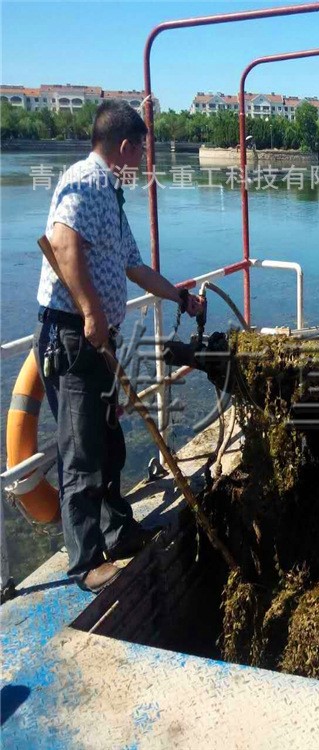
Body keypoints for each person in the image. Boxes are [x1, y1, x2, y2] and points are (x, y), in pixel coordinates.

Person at [34, 101, 204, 592]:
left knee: (108, 441)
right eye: (141, 153)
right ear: (125, 147)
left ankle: (119, 532)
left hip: (98, 335)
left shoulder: (111, 195)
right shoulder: (85, 181)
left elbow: (133, 266)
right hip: (74, 335)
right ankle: (86, 562)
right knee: (81, 448)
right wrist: (90, 313)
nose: (142, 163)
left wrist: (180, 297)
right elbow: (62, 242)